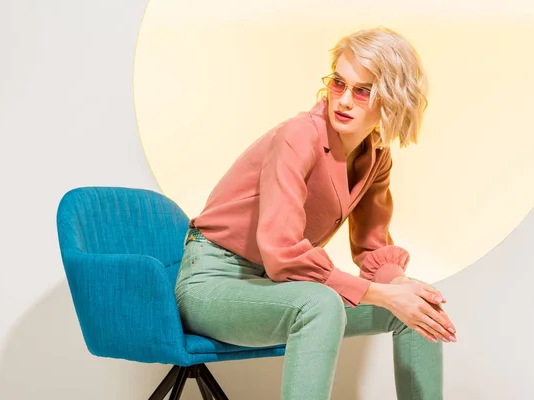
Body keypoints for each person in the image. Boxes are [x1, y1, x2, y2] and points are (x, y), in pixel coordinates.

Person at [174, 26, 456, 400]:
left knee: (418, 309)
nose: (343, 101)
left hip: (273, 289)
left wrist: (400, 288)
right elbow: (281, 254)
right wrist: (379, 294)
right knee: (319, 302)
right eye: (338, 83)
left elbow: (372, 249)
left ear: (391, 98)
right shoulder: (298, 135)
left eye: (363, 90)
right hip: (211, 283)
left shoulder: (376, 158)